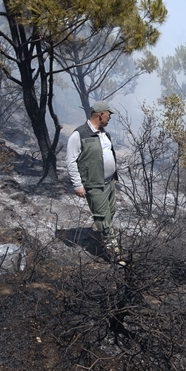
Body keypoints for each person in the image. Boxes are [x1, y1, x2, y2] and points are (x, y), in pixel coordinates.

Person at [66, 100, 120, 260]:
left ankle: (106, 240)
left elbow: (109, 155)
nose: (110, 118)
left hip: (109, 183)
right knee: (103, 219)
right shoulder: (79, 134)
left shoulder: (105, 134)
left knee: (110, 213)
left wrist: (114, 177)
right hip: (94, 185)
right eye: (108, 115)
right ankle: (114, 255)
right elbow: (70, 160)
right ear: (100, 114)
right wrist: (78, 185)